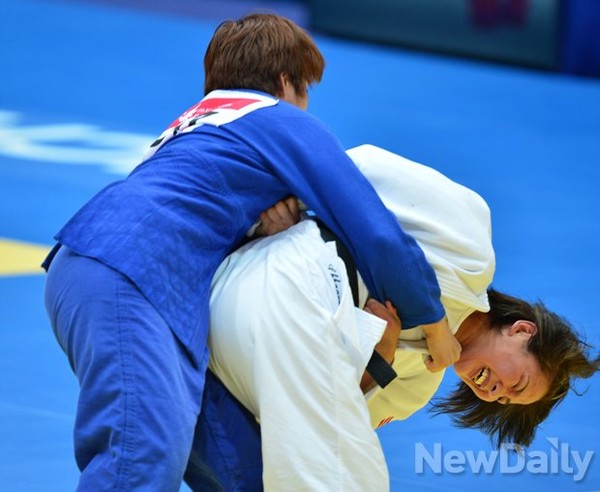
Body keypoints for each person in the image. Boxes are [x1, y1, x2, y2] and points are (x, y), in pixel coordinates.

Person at [42, 14, 460, 491]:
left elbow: (198, 218)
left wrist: (262, 232)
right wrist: (434, 322)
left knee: (244, 469)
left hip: (116, 274)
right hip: (131, 276)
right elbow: (374, 231)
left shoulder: (194, 126)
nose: (304, 107)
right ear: (285, 82)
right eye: (305, 92)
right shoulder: (277, 118)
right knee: (140, 458)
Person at [190, 144, 599, 491]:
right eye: (517, 382)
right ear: (522, 331)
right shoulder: (471, 254)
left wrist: (380, 361)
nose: (496, 392)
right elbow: (365, 165)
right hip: (238, 273)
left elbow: (323, 424)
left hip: (236, 371)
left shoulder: (414, 388)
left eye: (505, 399)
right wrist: (292, 207)